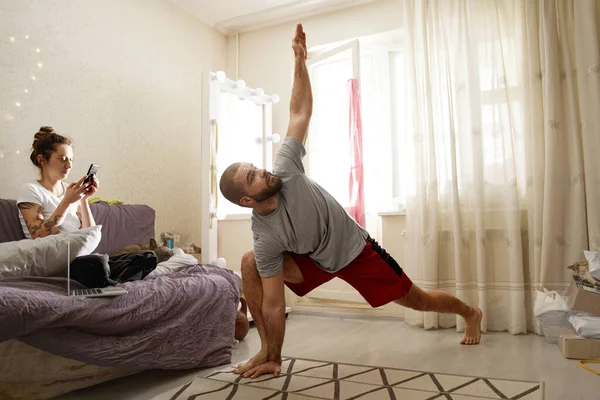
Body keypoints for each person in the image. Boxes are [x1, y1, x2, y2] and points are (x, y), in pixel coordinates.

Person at [219, 24, 483, 380]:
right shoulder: (264, 234)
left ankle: (470, 312)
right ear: (249, 199)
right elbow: (272, 301)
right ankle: (270, 356)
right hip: (314, 259)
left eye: (256, 168)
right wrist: (273, 348)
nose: (264, 171)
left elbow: (299, 112)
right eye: (253, 177)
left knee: (417, 300)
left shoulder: (286, 169)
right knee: (250, 263)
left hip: (355, 250)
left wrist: (300, 61)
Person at [17, 126, 99, 239]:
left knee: (130, 256)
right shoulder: (30, 190)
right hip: (54, 255)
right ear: (42, 160)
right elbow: (38, 235)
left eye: (71, 159)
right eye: (63, 159)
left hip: (80, 253)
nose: (69, 165)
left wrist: (84, 199)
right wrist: (67, 201)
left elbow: (90, 235)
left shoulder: (70, 190)